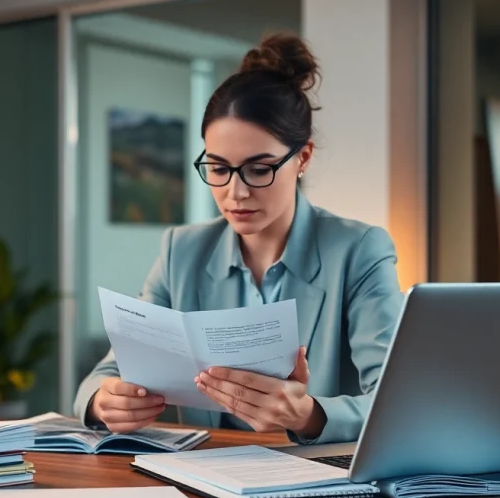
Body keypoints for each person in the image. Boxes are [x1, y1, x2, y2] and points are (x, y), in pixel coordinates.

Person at [72, 32, 404, 445]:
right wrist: (103, 402)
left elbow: (399, 404)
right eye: (218, 168)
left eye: (259, 169)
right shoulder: (182, 252)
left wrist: (308, 414)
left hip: (318, 481)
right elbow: (108, 373)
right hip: (206, 474)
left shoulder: (358, 251)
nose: (236, 192)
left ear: (302, 158)